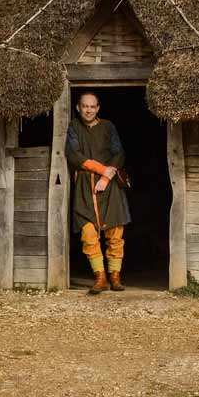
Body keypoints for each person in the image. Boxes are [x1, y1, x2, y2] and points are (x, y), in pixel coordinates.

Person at [65, 91, 131, 294]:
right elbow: (73, 155)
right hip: (85, 185)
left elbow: (119, 153)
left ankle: (115, 276)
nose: (89, 110)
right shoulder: (74, 126)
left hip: (109, 186)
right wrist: (102, 169)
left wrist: (105, 178)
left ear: (98, 108)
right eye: (85, 106)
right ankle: (100, 277)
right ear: (78, 107)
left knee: (115, 233)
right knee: (88, 233)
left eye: (93, 106)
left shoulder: (108, 127)